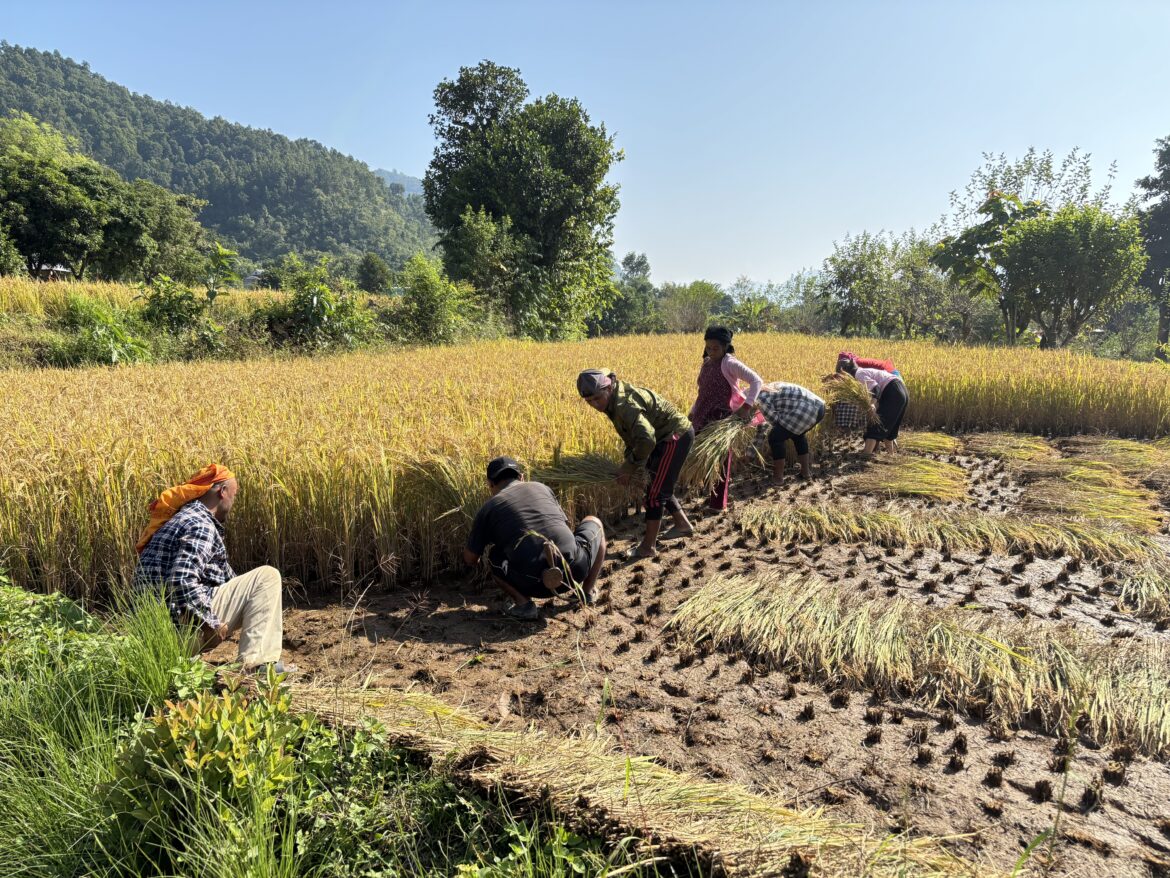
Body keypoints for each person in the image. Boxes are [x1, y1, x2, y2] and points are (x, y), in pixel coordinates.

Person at [134, 464, 290, 671]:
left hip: (152, 634)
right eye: (233, 495)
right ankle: (257, 665)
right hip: (178, 633)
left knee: (255, 586)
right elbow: (181, 579)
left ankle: (181, 662)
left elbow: (230, 582)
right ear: (222, 491)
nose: (233, 503)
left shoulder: (178, 520)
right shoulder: (200, 525)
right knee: (266, 577)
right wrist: (210, 622)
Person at [463, 456, 606, 620]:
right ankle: (586, 592)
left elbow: (470, 558)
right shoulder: (542, 488)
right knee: (595, 522)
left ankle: (524, 604)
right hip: (574, 572)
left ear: (490, 484)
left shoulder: (488, 508)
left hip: (533, 583)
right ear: (521, 477)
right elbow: (566, 528)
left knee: (495, 555)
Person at [577, 369, 695, 559]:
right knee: (656, 485)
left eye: (598, 398)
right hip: (660, 437)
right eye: (589, 401)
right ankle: (683, 525)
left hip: (673, 436)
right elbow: (635, 436)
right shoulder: (612, 398)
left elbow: (647, 440)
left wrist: (629, 467)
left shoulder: (625, 405)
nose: (595, 405)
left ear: (608, 387)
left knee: (655, 495)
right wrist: (631, 461)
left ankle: (647, 547)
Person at [689, 325, 764, 511]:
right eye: (708, 348)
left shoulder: (730, 363)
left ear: (725, 347)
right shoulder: (706, 363)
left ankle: (717, 504)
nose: (711, 351)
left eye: (715, 348)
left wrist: (747, 406)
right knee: (702, 456)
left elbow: (756, 381)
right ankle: (708, 492)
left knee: (721, 459)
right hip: (703, 415)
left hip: (722, 419)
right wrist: (693, 410)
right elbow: (702, 392)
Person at [752, 382, 826, 482]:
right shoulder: (767, 388)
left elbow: (774, 422)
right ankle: (806, 473)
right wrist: (751, 452)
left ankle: (778, 478)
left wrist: (751, 454)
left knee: (775, 437)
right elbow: (768, 425)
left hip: (808, 410)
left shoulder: (759, 399)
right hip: (819, 407)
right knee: (797, 435)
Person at [836, 355, 909, 455]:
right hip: (901, 390)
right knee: (888, 427)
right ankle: (891, 455)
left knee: (875, 427)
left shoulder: (858, 374)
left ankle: (866, 455)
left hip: (893, 391)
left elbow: (876, 388)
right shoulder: (863, 371)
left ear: (845, 371)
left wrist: (872, 404)